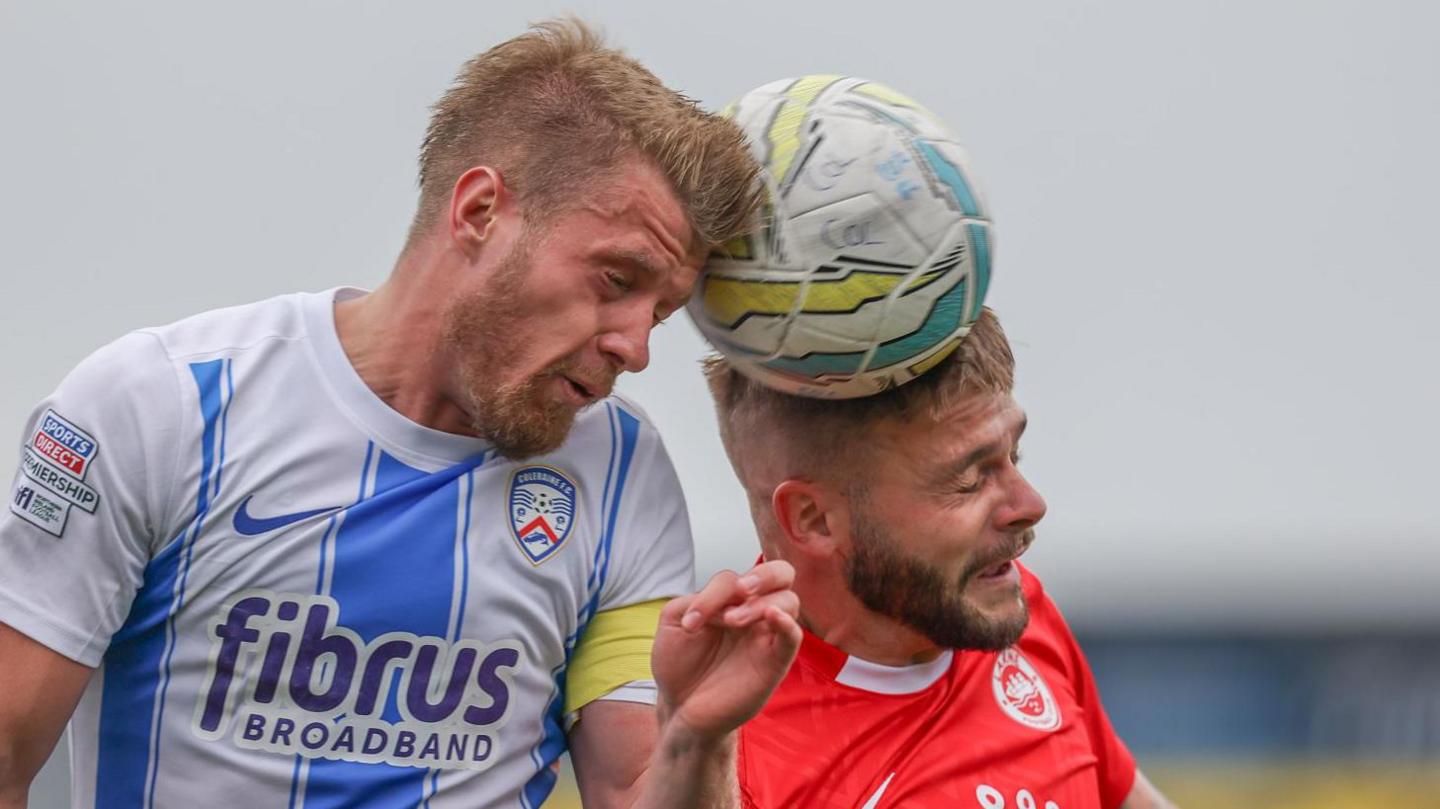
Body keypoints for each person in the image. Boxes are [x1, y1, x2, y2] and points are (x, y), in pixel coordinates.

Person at [0, 19, 801, 809]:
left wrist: (697, 736)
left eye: (659, 313)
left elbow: (633, 791)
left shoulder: (623, 474)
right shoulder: (159, 404)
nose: (635, 348)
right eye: (615, 280)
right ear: (481, 211)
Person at [704, 309, 1177, 809]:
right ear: (815, 519)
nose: (1030, 504)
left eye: (1014, 456)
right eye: (970, 479)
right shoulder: (732, 760)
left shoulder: (1004, 608)